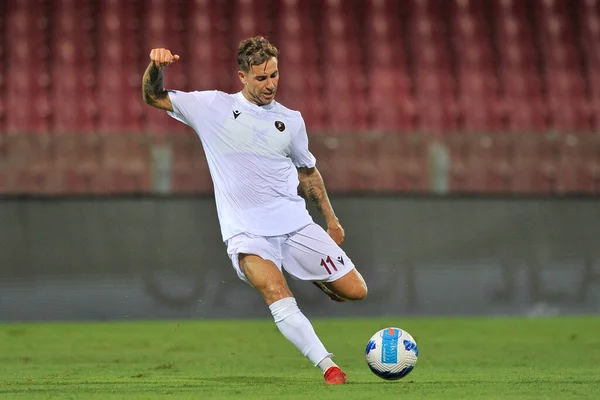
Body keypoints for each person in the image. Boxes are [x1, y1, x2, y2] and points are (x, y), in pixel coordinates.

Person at [142, 36, 367, 385]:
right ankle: (329, 367)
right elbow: (153, 96)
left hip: (294, 225)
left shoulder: (291, 121)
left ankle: (316, 280)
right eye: (261, 78)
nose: (270, 84)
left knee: (356, 291)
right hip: (246, 232)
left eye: (275, 75)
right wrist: (156, 68)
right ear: (242, 77)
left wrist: (331, 220)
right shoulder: (212, 107)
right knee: (277, 292)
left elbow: (307, 171)